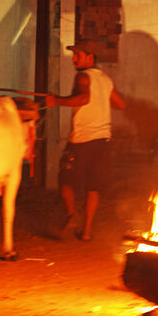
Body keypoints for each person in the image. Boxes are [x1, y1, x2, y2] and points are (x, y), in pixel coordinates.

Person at [45, 40, 126, 242]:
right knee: (93, 187)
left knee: (64, 179)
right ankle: (87, 231)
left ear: (89, 58)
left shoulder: (82, 76)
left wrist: (57, 101)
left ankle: (72, 216)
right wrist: (101, 103)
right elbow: (120, 104)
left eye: (77, 55)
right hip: (103, 141)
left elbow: (83, 99)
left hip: (82, 140)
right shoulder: (105, 79)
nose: (73, 59)